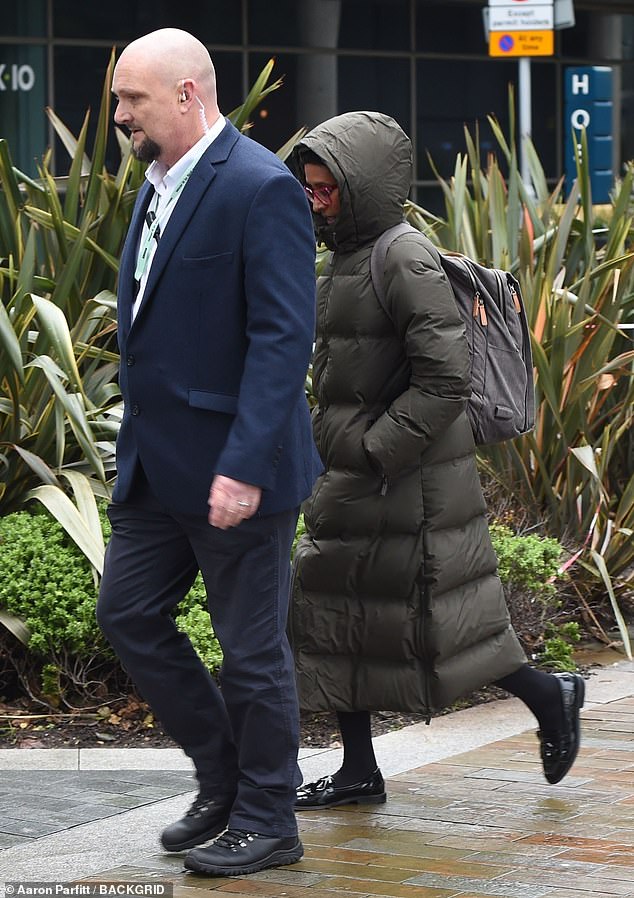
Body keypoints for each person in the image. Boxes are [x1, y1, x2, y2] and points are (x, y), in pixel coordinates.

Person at [289, 111, 584, 811]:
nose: (314, 198)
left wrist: (374, 447)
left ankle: (551, 694)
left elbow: (446, 377)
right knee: (340, 617)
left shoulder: (401, 255)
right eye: (309, 187)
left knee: (440, 624)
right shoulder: (348, 256)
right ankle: (360, 770)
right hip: (363, 474)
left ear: (362, 186)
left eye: (326, 188)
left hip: (406, 479)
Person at [96, 28, 321, 876]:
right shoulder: (157, 183)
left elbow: (281, 337)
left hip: (237, 469)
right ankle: (224, 778)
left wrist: (244, 462)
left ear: (189, 94)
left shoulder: (260, 187)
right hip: (157, 465)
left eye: (133, 100)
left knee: (251, 648)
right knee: (128, 613)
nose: (120, 116)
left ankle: (270, 819)